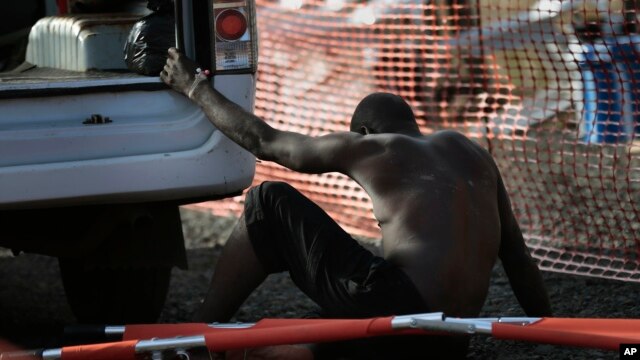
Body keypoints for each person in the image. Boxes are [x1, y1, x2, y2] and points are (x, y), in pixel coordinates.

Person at [160, 48, 553, 359]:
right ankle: (308, 346)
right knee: (339, 312)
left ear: (363, 132)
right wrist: (548, 327)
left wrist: (194, 86)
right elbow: (518, 259)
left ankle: (196, 335)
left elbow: (265, 141)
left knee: (269, 201)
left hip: (404, 311)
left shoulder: (376, 147)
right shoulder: (473, 154)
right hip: (453, 340)